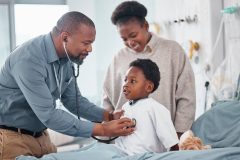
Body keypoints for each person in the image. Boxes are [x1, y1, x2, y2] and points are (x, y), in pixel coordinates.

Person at [0, 11, 135, 159]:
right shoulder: (28, 59)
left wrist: (108, 116)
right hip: (12, 139)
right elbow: (49, 115)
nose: (90, 49)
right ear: (65, 38)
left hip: (42, 138)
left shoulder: (66, 59)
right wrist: (102, 129)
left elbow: (73, 100)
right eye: (86, 43)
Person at [103, 1, 196, 139]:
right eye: (124, 39)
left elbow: (187, 97)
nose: (130, 42)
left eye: (133, 35)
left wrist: (178, 136)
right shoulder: (118, 59)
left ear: (146, 26)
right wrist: (107, 134)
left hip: (165, 140)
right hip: (125, 141)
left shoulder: (173, 51)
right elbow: (107, 101)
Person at [114, 59, 179, 155]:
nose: (125, 84)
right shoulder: (125, 107)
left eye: (132, 81)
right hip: (122, 154)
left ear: (148, 87)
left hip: (146, 156)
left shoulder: (155, 108)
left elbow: (171, 142)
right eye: (125, 80)